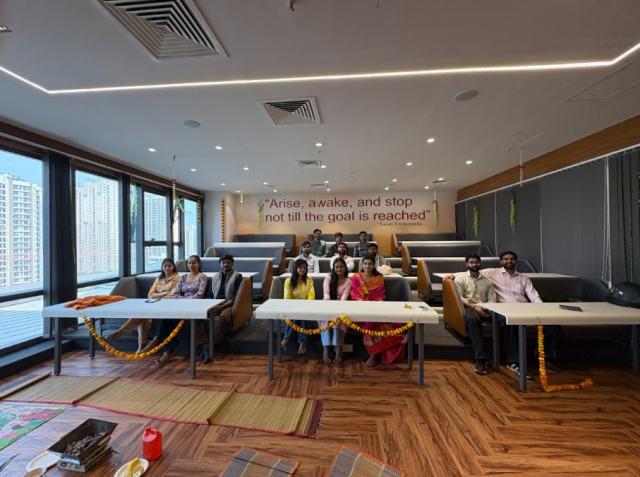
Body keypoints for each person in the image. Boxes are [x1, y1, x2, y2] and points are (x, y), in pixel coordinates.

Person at [483, 250, 561, 376]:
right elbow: (469, 273)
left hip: (524, 308)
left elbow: (533, 295)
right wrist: (451, 276)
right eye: (506, 259)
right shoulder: (491, 272)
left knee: (553, 324)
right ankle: (514, 362)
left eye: (512, 259)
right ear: (501, 261)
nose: (509, 261)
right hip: (503, 309)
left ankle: (545, 357)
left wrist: (544, 310)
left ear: (516, 261)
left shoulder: (523, 278)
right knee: (511, 323)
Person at [145, 255, 209, 365]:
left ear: (199, 264)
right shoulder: (183, 277)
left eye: (194, 263)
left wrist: (183, 299)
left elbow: (199, 294)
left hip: (194, 305)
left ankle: (158, 341)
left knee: (171, 320)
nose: (191, 265)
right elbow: (175, 293)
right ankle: (164, 349)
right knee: (165, 318)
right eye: (189, 263)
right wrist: (181, 300)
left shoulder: (202, 277)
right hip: (180, 305)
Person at [107, 258, 179, 352]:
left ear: (173, 267)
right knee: (141, 315)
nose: (167, 268)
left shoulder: (177, 278)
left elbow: (173, 294)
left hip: (168, 305)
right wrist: (164, 293)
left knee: (144, 315)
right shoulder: (159, 279)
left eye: (169, 265)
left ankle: (125, 334)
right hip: (154, 304)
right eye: (165, 266)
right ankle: (130, 339)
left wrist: (159, 294)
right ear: (162, 267)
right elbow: (150, 295)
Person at [351, 254, 406, 366]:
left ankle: (396, 340)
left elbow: (380, 296)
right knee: (369, 323)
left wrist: (375, 305)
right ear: (362, 265)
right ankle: (373, 354)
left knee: (388, 321)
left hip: (377, 306)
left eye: (370, 264)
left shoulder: (379, 278)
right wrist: (364, 304)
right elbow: (355, 295)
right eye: (365, 264)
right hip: (361, 308)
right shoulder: (356, 277)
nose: (367, 266)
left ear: (373, 266)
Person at [453, 254, 497, 375]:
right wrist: (475, 307)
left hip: (485, 307)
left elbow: (492, 299)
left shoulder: (487, 280)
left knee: (503, 320)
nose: (474, 264)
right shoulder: (460, 279)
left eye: (477, 262)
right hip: (468, 306)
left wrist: (488, 310)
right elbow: (459, 298)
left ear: (480, 263)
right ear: (466, 264)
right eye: (471, 262)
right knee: (473, 319)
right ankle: (480, 358)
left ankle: (508, 358)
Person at [207, 254, 243, 362]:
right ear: (220, 264)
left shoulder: (237, 276)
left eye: (228, 262)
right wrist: (212, 305)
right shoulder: (215, 277)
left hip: (228, 303)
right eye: (223, 262)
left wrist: (222, 306)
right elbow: (210, 295)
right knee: (200, 316)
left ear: (232, 263)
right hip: (215, 303)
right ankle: (203, 343)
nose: (226, 264)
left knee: (222, 318)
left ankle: (212, 345)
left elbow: (235, 297)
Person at [320, 257, 351, 364]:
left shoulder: (348, 281)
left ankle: (338, 351)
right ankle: (325, 350)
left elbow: (344, 297)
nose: (339, 269)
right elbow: (326, 294)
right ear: (333, 268)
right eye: (336, 267)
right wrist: (330, 309)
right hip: (327, 304)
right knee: (325, 320)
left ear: (345, 267)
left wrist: (337, 310)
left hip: (342, 306)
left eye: (341, 266)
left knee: (339, 321)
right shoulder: (328, 277)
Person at [281, 258, 315, 355]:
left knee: (302, 316)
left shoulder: (309, 280)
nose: (302, 270)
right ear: (295, 268)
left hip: (306, 307)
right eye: (300, 267)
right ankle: (302, 342)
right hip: (292, 307)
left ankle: (286, 339)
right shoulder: (288, 281)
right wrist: (296, 308)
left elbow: (311, 295)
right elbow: (287, 298)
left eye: (304, 268)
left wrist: (305, 306)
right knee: (298, 317)